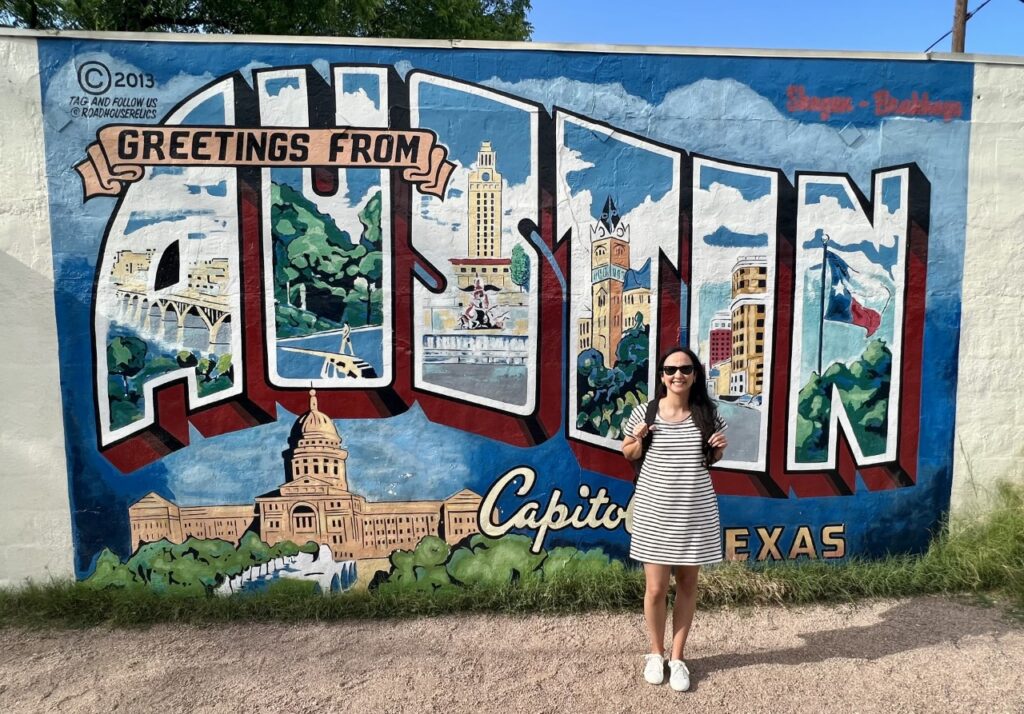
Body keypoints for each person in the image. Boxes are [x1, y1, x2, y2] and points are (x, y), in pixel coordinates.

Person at [621, 346, 728, 692]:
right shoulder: (645, 412)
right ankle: (655, 653)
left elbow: (713, 457)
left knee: (687, 586)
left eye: (685, 369)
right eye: (670, 369)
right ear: (662, 376)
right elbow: (628, 453)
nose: (677, 375)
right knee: (654, 589)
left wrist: (719, 448)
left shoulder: (707, 415)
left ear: (695, 374)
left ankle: (678, 658)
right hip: (654, 512)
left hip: (694, 512)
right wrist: (638, 439)